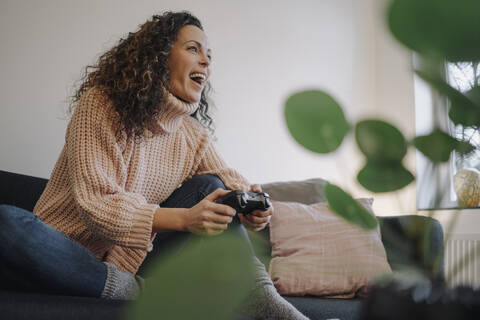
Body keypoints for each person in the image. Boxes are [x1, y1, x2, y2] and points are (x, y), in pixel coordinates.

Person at [0, 11, 308, 320]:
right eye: (193, 49)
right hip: (60, 253)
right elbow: (96, 205)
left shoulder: (192, 135)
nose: (206, 62)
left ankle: (261, 300)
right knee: (6, 222)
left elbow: (229, 181)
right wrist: (186, 219)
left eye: (209, 55)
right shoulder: (100, 104)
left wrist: (253, 207)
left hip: (132, 262)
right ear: (159, 56)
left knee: (213, 188)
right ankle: (135, 291)